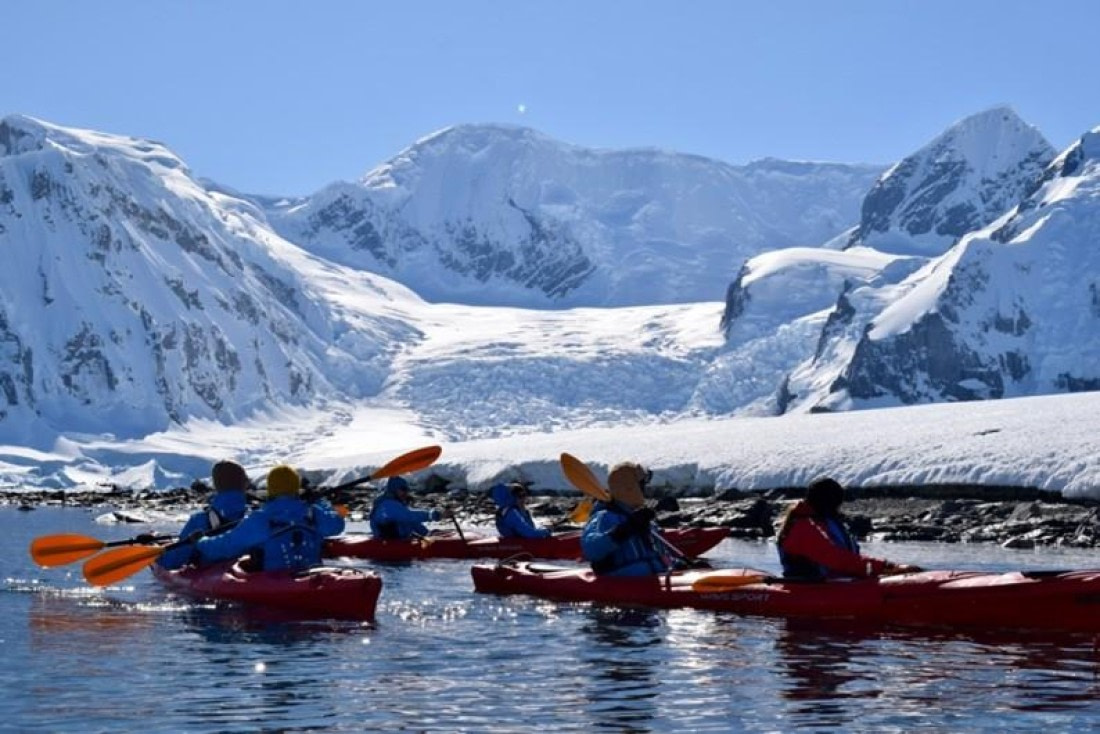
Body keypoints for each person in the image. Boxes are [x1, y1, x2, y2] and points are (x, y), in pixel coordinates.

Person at [192, 464, 345, 572]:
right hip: (312, 577)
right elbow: (338, 524)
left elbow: (224, 546)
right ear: (296, 487)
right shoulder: (314, 512)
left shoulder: (260, 518)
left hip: (274, 584)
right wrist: (319, 500)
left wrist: (200, 541)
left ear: (271, 488)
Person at [776, 477, 921, 580]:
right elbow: (836, 559)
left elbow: (846, 557)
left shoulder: (824, 522)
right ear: (828, 503)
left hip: (835, 581)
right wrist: (886, 567)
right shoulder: (803, 528)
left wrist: (884, 568)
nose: (838, 508)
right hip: (809, 586)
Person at [580, 462, 675, 576]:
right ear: (630, 488)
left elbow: (661, 555)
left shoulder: (642, 519)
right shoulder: (603, 517)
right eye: (642, 486)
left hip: (652, 580)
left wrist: (678, 564)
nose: (644, 490)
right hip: (621, 583)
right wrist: (625, 530)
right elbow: (592, 551)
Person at [157, 460, 252, 570]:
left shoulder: (199, 520)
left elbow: (172, 563)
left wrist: (157, 557)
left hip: (212, 577)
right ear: (244, 484)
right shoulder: (255, 517)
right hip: (248, 574)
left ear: (216, 485)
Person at [369, 476, 452, 540]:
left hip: (398, 541)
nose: (406, 493)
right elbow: (408, 516)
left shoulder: (396, 504)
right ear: (393, 490)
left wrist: (427, 533)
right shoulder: (386, 505)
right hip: (388, 546)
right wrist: (434, 515)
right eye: (403, 489)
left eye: (407, 490)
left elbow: (410, 521)